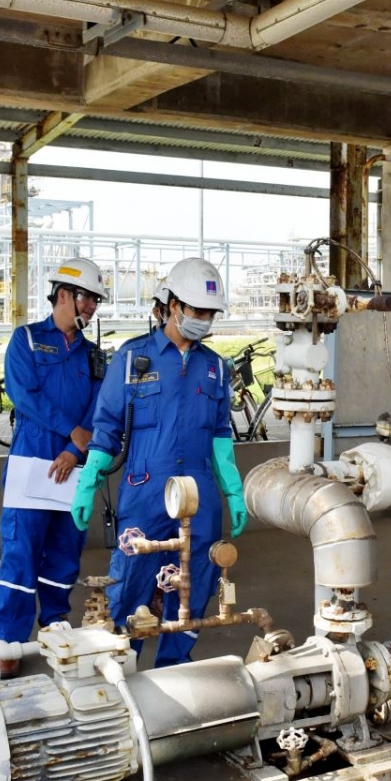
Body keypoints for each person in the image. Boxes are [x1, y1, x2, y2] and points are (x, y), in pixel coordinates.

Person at [71, 257, 248, 668]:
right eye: (197, 311)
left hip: (200, 498)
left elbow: (220, 435)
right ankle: (121, 669)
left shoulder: (215, 368)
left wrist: (233, 492)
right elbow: (106, 427)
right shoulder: (132, 359)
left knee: (193, 587)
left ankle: (173, 669)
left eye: (210, 314)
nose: (204, 320)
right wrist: (88, 481)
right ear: (172, 306)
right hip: (145, 493)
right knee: (130, 583)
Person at [0, 258, 108, 674]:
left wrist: (74, 450)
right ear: (63, 295)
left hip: (73, 465)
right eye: (87, 298)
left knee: (64, 551)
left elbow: (99, 407)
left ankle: (55, 625)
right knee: (21, 551)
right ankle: (10, 641)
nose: (92, 306)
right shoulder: (26, 339)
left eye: (95, 300)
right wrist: (70, 432)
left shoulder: (93, 354)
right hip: (31, 462)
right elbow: (24, 395)